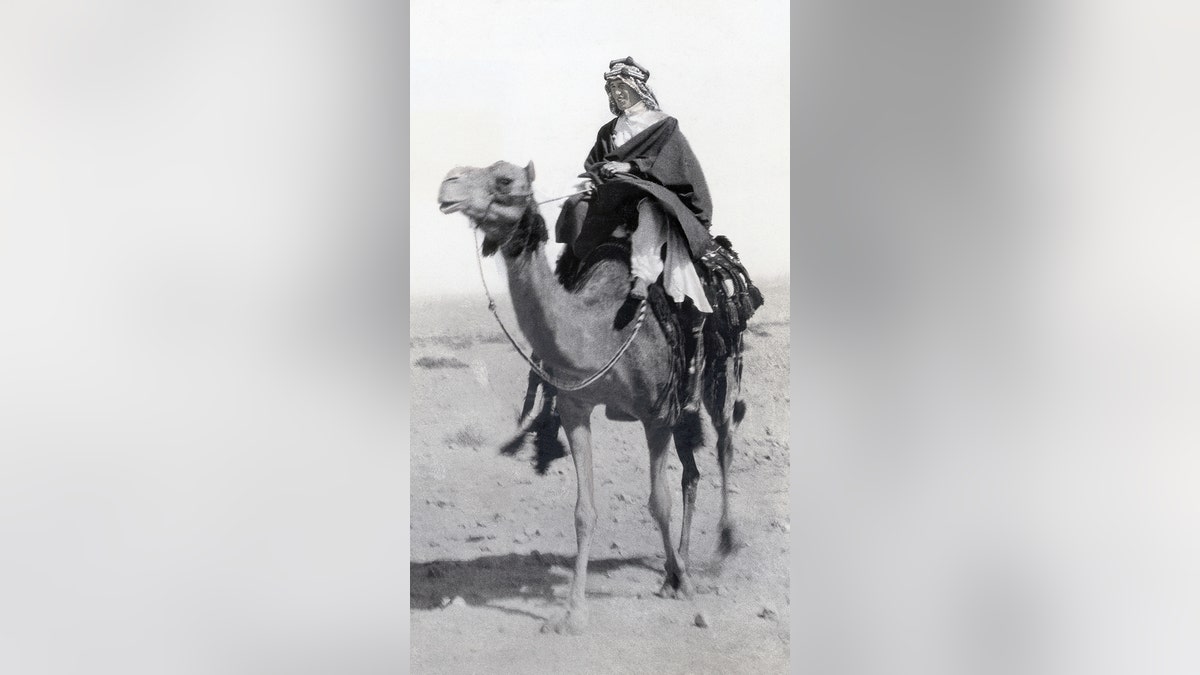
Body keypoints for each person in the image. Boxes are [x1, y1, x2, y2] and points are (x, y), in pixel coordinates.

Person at [554, 57, 715, 410]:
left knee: (649, 208)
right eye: (612, 89)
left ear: (637, 88)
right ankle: (567, 287)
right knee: (574, 206)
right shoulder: (608, 130)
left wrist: (630, 166)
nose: (617, 94)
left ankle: (643, 277)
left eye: (622, 88)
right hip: (615, 201)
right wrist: (598, 175)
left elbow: (673, 169)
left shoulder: (664, 126)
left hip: (655, 197)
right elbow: (594, 163)